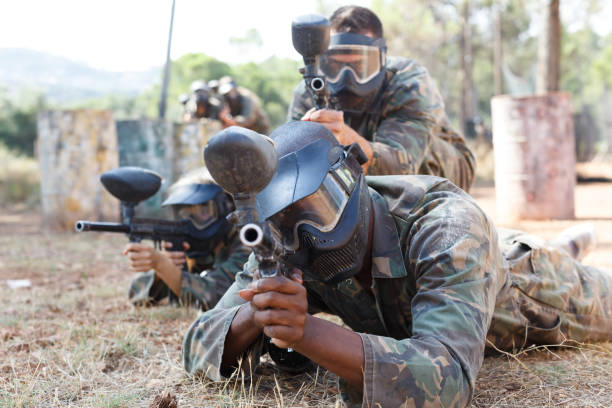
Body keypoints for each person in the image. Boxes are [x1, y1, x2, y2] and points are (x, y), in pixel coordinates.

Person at [182, 121, 612, 408]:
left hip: (522, 291)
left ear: (354, 177)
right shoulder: (288, 248)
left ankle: (568, 245)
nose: (306, 237)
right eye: (284, 225)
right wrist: (257, 314)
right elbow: (198, 341)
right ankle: (571, 240)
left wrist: (307, 331)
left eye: (319, 208)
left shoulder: (446, 226)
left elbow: (448, 382)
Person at [288, 6, 476, 191]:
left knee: (415, 158)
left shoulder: (408, 82)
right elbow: (289, 163)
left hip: (442, 171)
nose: (347, 77)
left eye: (360, 65)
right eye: (335, 65)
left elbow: (403, 165)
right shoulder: (309, 91)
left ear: (382, 59)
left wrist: (346, 140)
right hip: (361, 176)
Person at [124, 168, 250, 310]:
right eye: (185, 214)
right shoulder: (195, 251)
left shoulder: (247, 241)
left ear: (227, 208)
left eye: (203, 212)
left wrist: (162, 266)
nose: (190, 223)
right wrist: (163, 269)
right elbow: (136, 293)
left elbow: (220, 297)